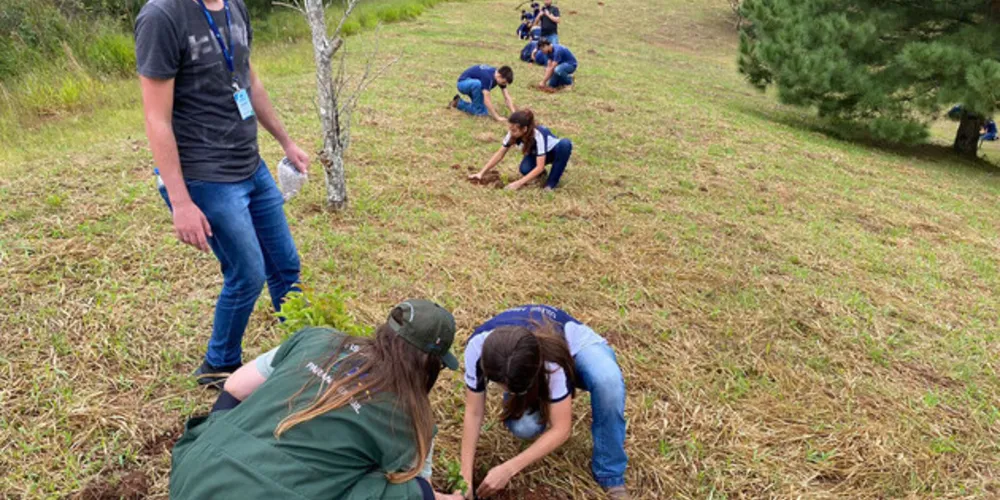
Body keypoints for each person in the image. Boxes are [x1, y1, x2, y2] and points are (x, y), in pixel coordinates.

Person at [135, 0, 311, 388]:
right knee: (247, 273)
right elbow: (156, 118)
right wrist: (180, 202)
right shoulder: (161, 16)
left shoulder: (234, 7)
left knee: (285, 266)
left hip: (250, 164)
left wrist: (285, 141)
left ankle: (306, 354)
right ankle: (219, 364)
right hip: (205, 176)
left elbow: (249, 80)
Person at [170, 299, 465, 500]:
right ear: (432, 365)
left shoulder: (317, 339)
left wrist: (219, 437)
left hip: (194, 474)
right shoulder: (413, 419)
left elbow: (234, 387)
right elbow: (416, 491)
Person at [458, 305, 630, 499]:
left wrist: (509, 468)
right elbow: (473, 412)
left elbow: (562, 428)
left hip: (577, 349)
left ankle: (610, 474)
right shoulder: (476, 349)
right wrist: (464, 478)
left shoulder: (551, 361)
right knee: (524, 426)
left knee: (608, 381)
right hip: (525, 361)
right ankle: (547, 401)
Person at [469, 110, 572, 191]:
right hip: (536, 154)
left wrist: (517, 183)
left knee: (565, 144)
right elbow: (500, 154)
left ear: (524, 129)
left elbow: (539, 166)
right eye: (510, 129)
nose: (511, 132)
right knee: (525, 169)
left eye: (514, 130)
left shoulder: (538, 134)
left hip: (553, 152)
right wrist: (481, 173)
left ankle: (550, 184)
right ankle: (540, 175)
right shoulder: (512, 133)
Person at [448, 65, 516, 122]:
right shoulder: (488, 77)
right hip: (463, 84)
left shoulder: (497, 76)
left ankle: (461, 103)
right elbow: (487, 99)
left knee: (483, 112)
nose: (503, 84)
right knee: (478, 85)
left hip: (474, 86)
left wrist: (514, 113)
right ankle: (458, 103)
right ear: (499, 75)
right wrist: (497, 117)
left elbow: (507, 97)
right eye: (503, 82)